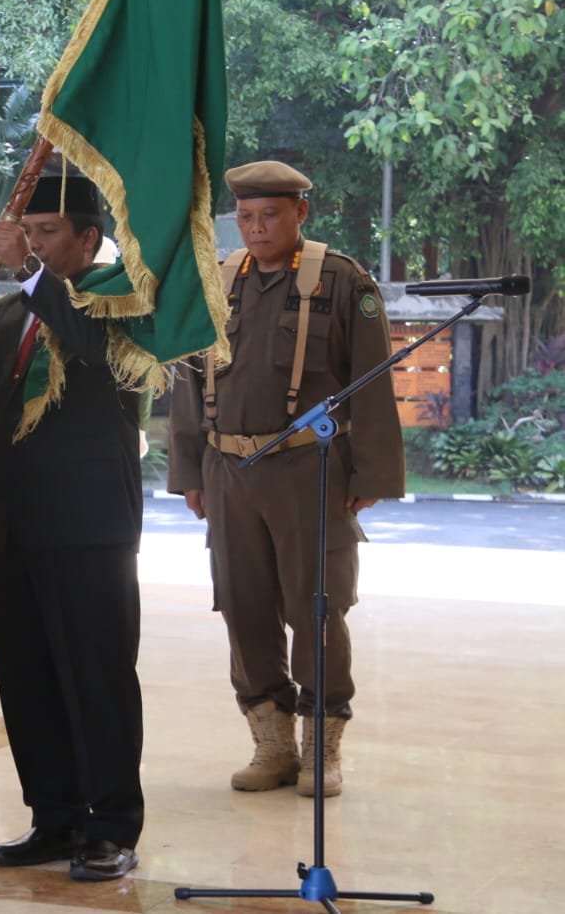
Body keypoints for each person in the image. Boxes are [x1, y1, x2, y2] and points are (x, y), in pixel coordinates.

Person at [0, 157, 144, 882]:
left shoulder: (118, 302)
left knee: (97, 676)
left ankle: (109, 825)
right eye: (29, 232)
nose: (36, 244)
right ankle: (53, 817)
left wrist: (31, 274)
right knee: (28, 675)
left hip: (89, 529)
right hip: (13, 523)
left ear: (87, 237)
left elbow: (84, 349)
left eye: (48, 233)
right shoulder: (9, 310)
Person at [167, 160, 404, 798]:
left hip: (310, 470)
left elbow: (373, 381)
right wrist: (189, 470)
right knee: (242, 608)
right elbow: (190, 384)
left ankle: (320, 747)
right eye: (245, 217)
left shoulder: (339, 279)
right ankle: (270, 743)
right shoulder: (217, 282)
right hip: (227, 472)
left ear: (302, 212)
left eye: (270, 215)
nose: (256, 227)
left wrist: (375, 471)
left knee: (317, 607)